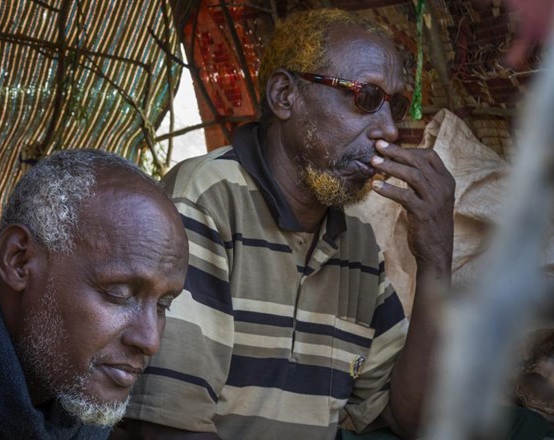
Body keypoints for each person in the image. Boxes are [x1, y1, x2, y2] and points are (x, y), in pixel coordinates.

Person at [122, 8, 456, 440]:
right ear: (284, 96)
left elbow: (413, 421)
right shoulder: (207, 198)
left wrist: (435, 261)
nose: (388, 130)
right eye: (367, 98)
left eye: (393, 105)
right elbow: (164, 428)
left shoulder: (355, 242)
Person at [0, 149, 189, 439]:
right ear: (19, 260)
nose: (150, 340)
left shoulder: (70, 380)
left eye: (163, 305)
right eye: (118, 293)